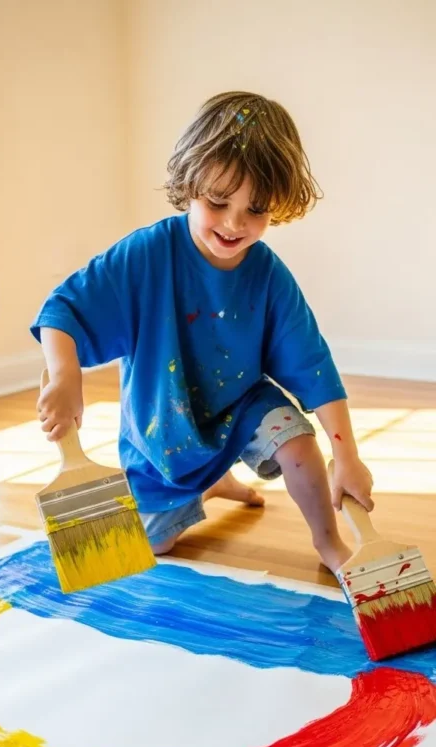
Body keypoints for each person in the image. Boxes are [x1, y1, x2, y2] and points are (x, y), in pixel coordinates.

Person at [31, 91, 373, 571]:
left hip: (244, 404)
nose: (235, 223)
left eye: (256, 210)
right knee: (156, 547)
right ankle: (214, 482)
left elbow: (312, 366)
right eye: (217, 201)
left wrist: (348, 456)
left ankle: (328, 542)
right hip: (164, 422)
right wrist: (66, 377)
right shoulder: (146, 254)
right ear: (189, 185)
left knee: (298, 443)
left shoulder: (268, 274)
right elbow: (62, 310)